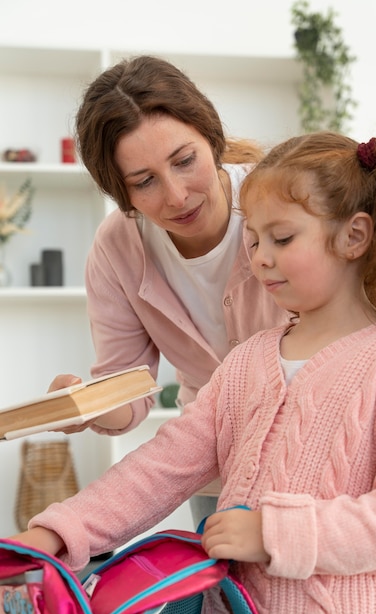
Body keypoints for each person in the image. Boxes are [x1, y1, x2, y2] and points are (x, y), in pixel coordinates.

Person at [12, 129, 376, 614]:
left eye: (282, 238)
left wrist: (274, 533)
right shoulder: (245, 364)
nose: (260, 257)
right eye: (253, 241)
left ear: (354, 236)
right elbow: (160, 468)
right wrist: (57, 532)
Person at [50, 54, 289, 523]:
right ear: (121, 193)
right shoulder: (119, 246)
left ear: (211, 138)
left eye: (185, 161)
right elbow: (130, 391)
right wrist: (86, 406)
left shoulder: (279, 202)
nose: (176, 196)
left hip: (310, 456)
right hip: (214, 466)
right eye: (145, 182)